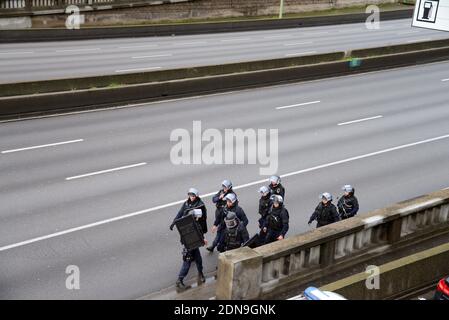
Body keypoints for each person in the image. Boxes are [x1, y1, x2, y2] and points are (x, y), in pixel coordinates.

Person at [172, 208, 207, 290]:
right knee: (186, 264)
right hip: (189, 247)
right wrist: (202, 240)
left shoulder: (194, 223)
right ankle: (179, 280)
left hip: (195, 245)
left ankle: (200, 273)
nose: (199, 218)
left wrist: (202, 239)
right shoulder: (190, 225)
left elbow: (199, 233)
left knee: (199, 260)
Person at [208, 180, 236, 252]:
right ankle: (214, 245)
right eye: (223, 186)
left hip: (226, 214)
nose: (224, 188)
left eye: (225, 187)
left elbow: (233, 205)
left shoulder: (232, 195)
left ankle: (216, 245)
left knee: (222, 231)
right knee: (220, 229)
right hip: (219, 211)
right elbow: (214, 199)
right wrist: (219, 198)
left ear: (229, 187)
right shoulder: (221, 192)